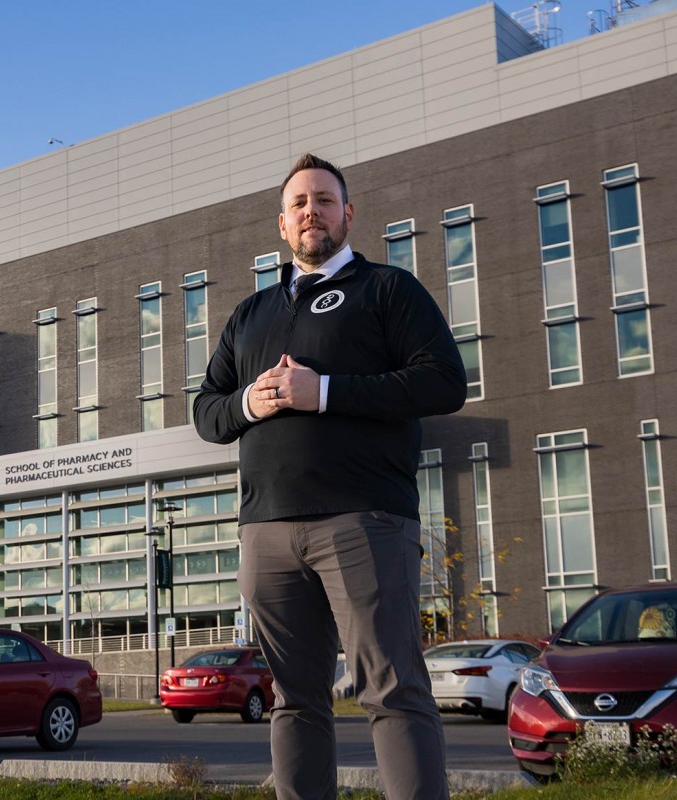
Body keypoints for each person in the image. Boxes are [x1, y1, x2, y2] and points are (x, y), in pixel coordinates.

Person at [192, 153, 467, 800]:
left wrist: (324, 392)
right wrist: (248, 404)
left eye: (322, 199)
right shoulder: (247, 314)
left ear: (347, 213)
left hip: (363, 520)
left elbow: (442, 381)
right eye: (297, 204)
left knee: (391, 690)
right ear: (281, 226)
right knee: (292, 700)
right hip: (266, 532)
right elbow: (206, 411)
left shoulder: (388, 291)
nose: (309, 211)